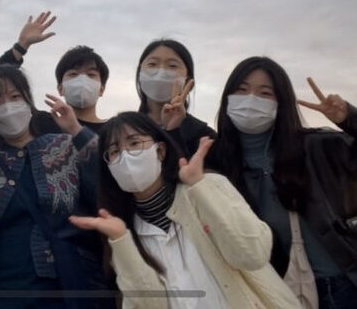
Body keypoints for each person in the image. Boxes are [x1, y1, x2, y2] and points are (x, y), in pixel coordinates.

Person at [70, 112, 300, 308]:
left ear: (160, 150)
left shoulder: (207, 187)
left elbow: (253, 254)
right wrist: (121, 239)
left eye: (134, 143)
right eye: (114, 151)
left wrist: (200, 186)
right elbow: (151, 305)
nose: (125, 156)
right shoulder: (124, 228)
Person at [0, 63, 114, 308]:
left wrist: (75, 129)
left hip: (65, 288)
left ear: (29, 102)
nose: (7, 106)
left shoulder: (64, 147)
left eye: (15, 97)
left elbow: (108, 175)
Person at [206, 56, 357, 309]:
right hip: (275, 295)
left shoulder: (317, 146)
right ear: (227, 98)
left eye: (265, 93)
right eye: (241, 90)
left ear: (282, 103)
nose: (251, 99)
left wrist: (348, 118)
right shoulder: (216, 162)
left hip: (343, 288)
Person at [0, 12, 110, 135]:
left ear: (102, 89)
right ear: (60, 88)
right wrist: (21, 46)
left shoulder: (115, 131)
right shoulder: (41, 124)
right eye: (73, 74)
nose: (82, 80)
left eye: (91, 75)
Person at [136, 39, 215, 156]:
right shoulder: (122, 130)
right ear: (140, 74)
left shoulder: (204, 137)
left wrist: (173, 131)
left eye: (172, 66)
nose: (161, 72)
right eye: (152, 64)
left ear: (188, 81)